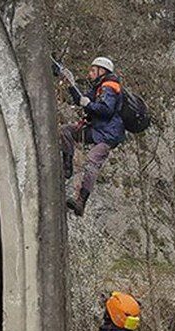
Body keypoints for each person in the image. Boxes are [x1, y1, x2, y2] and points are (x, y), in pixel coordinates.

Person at [60, 57, 126, 217]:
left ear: (101, 71)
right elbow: (82, 98)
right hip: (97, 130)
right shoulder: (99, 87)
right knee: (66, 131)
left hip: (108, 135)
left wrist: (88, 104)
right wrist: (70, 84)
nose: (90, 74)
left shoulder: (109, 87)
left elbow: (106, 109)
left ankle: (81, 201)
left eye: (92, 70)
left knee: (91, 161)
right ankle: (67, 167)